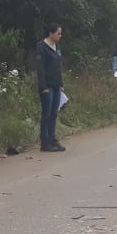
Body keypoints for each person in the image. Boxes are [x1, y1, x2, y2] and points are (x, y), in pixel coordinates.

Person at [35, 23, 66, 152]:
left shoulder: (57, 46)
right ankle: (45, 141)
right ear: (51, 33)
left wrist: (61, 84)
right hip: (47, 86)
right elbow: (40, 68)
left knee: (54, 113)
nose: (60, 36)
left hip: (56, 84)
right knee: (46, 113)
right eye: (58, 33)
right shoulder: (41, 47)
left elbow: (59, 67)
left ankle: (53, 139)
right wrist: (43, 86)